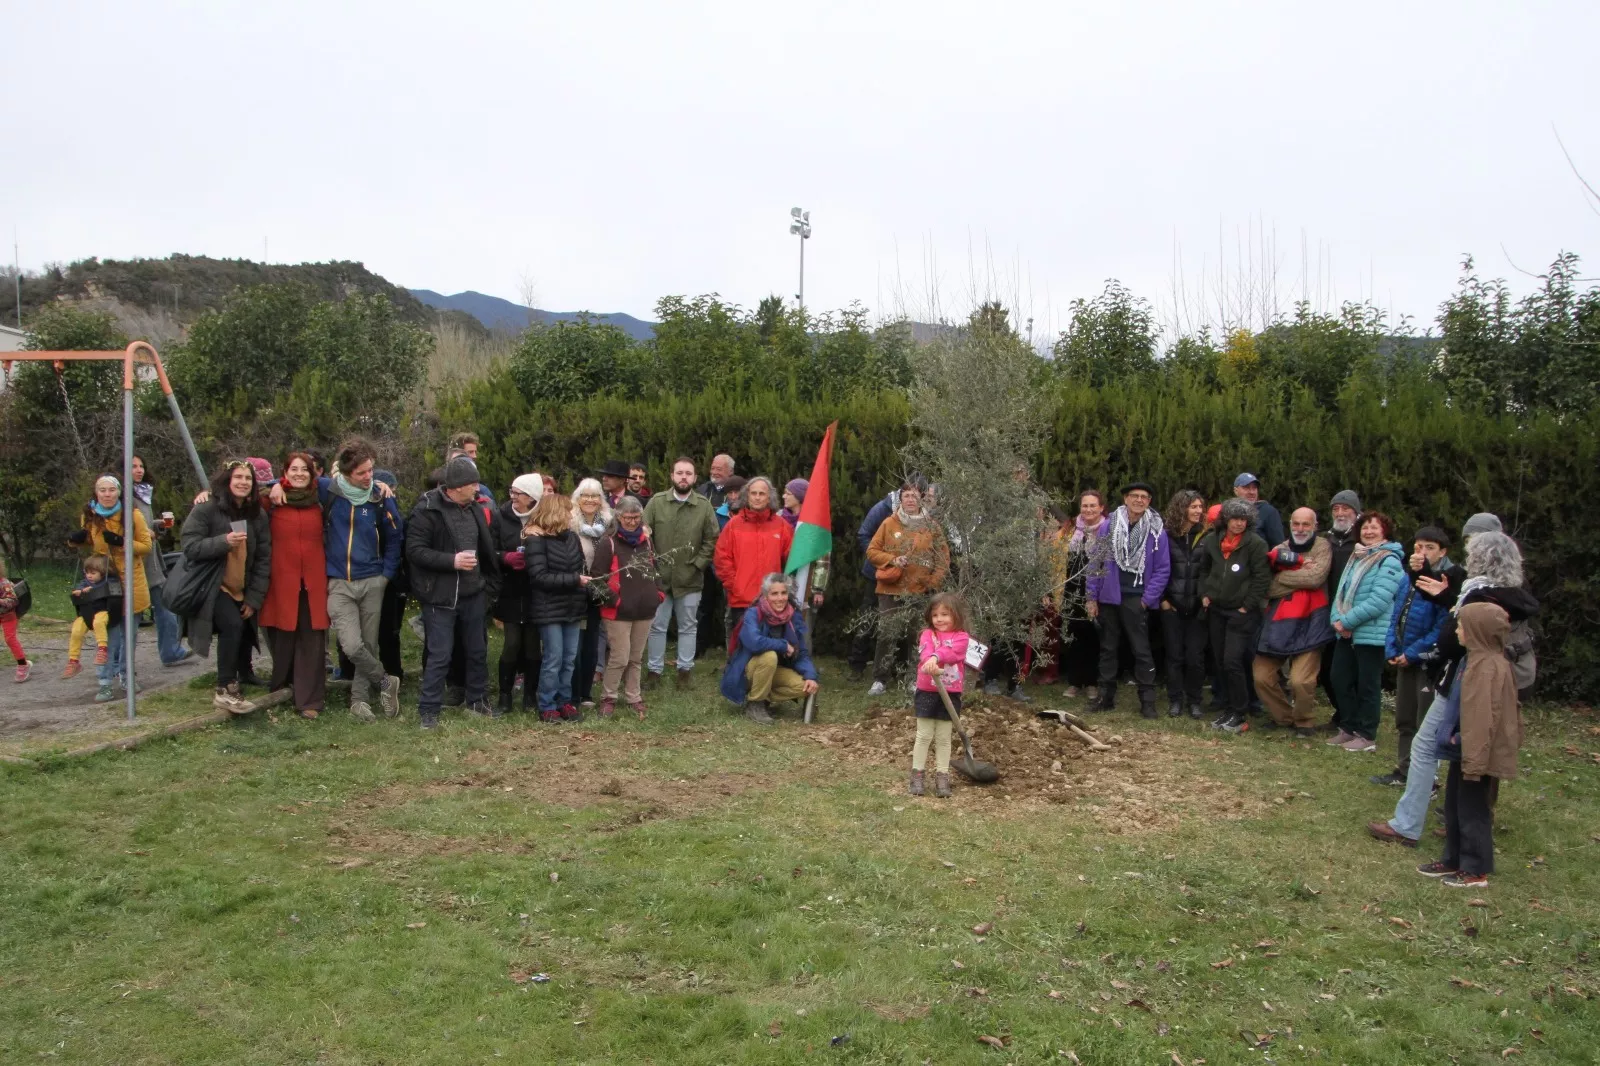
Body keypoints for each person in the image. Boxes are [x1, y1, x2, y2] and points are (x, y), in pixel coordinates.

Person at [1368, 528, 1536, 848]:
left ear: (1480, 559)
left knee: (1437, 750)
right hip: (1489, 682)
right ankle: (1451, 825)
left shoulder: (1479, 593)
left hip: (1467, 681)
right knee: (1465, 754)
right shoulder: (1513, 594)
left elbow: (1451, 642)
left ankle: (1412, 826)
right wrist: (1447, 598)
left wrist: (1451, 609)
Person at [1418, 600, 1522, 889]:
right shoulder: (1470, 659)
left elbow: (1487, 716)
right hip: (1462, 748)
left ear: (1478, 630)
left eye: (1462, 626)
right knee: (1453, 804)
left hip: (1477, 751)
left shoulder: (1489, 667)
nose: (1458, 631)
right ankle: (1453, 858)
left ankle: (1475, 868)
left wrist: (1469, 748)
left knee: (1473, 809)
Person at [306, 438, 403, 722]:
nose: (368, 477)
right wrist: (275, 486)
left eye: (371, 470)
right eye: (362, 473)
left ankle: (359, 702)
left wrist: (386, 574)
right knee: (351, 645)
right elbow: (294, 478)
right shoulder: (329, 490)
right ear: (347, 472)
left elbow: (395, 535)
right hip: (339, 582)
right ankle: (386, 681)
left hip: (373, 580)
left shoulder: (379, 496)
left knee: (369, 644)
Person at [405, 455, 501, 728]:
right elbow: (414, 551)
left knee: (477, 650)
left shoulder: (473, 509)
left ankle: (478, 702)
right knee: (440, 654)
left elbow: (486, 549)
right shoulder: (427, 510)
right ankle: (429, 711)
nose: (478, 489)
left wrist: (489, 586)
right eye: (473, 484)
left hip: (473, 593)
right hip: (440, 594)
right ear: (457, 486)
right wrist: (451, 561)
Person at [180, 460, 272, 714]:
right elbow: (189, 546)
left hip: (241, 585)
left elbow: (264, 558)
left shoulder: (257, 514)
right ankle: (225, 688)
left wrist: (254, 598)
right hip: (212, 584)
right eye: (238, 477)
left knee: (241, 626)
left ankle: (241, 675)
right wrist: (223, 542)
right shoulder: (207, 509)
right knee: (232, 625)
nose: (243, 482)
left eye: (248, 478)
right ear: (227, 481)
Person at [1376, 525, 1465, 786]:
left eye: (1429, 548)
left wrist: (1414, 654)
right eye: (1418, 547)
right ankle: (1405, 771)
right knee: (1405, 718)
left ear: (1443, 551)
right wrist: (1392, 648)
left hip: (1428, 661)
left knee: (1425, 721)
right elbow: (1396, 614)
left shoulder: (1448, 579)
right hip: (1403, 656)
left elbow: (1443, 627)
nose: (1422, 552)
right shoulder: (1408, 576)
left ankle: (1428, 780)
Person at [1087, 482, 1170, 717]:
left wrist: (1147, 599)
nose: (1139, 500)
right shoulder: (1108, 526)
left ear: (1149, 502)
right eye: (1135, 496)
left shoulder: (1156, 531)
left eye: (1145, 497)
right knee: (1108, 648)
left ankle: (1148, 702)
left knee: (1142, 650)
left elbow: (1163, 569)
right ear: (1125, 499)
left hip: (1137, 598)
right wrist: (1091, 596)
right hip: (1110, 597)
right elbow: (1095, 563)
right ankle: (1105, 698)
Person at [69, 475, 154, 703]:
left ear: (119, 492)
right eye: (102, 490)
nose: (107, 494)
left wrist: (121, 542)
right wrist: (75, 540)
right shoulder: (90, 517)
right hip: (105, 585)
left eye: (111, 490)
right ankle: (105, 682)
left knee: (130, 637)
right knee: (107, 638)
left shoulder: (132, 514)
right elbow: (90, 542)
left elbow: (146, 545)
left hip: (131, 581)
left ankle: (127, 676)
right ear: (96, 493)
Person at [259, 452, 330, 719]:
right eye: (294, 470)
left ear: (313, 475)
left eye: (305, 470)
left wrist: (381, 485)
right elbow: (240, 499)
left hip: (314, 581)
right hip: (281, 580)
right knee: (283, 636)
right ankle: (282, 688)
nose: (299, 474)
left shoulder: (321, 500)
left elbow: (349, 482)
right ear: (285, 473)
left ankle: (309, 699)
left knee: (312, 641)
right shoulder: (271, 501)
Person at [1327, 512, 1406, 752]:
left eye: (1375, 528)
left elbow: (1379, 600)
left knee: (1367, 685)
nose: (1369, 532)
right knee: (1339, 679)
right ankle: (1348, 727)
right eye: (1365, 528)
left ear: (1385, 532)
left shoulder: (1389, 560)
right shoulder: (1357, 556)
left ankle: (1366, 733)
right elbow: (1341, 592)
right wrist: (1337, 620)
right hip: (1346, 632)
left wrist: (1348, 621)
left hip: (1370, 634)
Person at [1253, 507, 1334, 737]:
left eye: (1306, 524)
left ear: (1315, 525)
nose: (1300, 529)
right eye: (1296, 523)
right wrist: (1302, 569)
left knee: (1301, 680)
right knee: (1261, 676)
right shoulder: (1279, 549)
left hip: (1313, 619)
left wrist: (1284, 575)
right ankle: (1283, 717)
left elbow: (1316, 578)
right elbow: (1268, 587)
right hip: (1278, 619)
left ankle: (1304, 723)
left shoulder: (1322, 546)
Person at [864, 479, 949, 696]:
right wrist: (892, 560)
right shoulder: (889, 523)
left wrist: (932, 583)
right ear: (900, 499)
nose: (910, 499)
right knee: (887, 634)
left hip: (919, 591)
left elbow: (943, 559)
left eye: (914, 495)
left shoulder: (932, 527)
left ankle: (914, 678)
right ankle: (880, 679)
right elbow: (872, 551)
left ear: (921, 498)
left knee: (918, 636)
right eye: (906, 496)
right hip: (890, 589)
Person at [642, 457, 720, 689]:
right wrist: (652, 565)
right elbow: (644, 535)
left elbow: (712, 538)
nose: (683, 477)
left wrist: (698, 565)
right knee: (657, 626)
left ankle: (685, 671)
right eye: (679, 473)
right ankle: (654, 672)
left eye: (688, 473)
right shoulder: (656, 503)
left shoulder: (703, 506)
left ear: (695, 478)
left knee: (688, 626)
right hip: (659, 579)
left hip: (691, 579)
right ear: (672, 476)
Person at [1198, 498, 1271, 732]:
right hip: (1217, 609)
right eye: (1234, 519)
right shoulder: (1212, 541)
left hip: (1242, 613)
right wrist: (1205, 594)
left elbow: (1262, 578)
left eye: (1243, 519)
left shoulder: (1256, 544)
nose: (1238, 524)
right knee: (1220, 661)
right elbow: (1204, 570)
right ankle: (1229, 709)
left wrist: (1247, 606)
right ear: (1226, 520)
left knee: (1233, 661)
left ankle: (1240, 712)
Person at [523, 492, 592, 723]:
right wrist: (574, 580)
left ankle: (565, 702)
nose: (571, 515)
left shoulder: (571, 537)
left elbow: (581, 567)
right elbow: (539, 577)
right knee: (554, 658)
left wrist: (583, 583)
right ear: (555, 512)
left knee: (569, 657)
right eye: (567, 510)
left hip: (573, 606)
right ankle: (547, 705)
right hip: (549, 608)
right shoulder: (535, 540)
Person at [720, 572, 819, 724]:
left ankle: (764, 696)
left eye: (783, 593)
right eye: (774, 594)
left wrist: (811, 676)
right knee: (769, 656)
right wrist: (783, 645)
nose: (780, 598)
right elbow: (754, 642)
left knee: (804, 687)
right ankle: (755, 703)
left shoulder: (793, 616)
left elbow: (801, 653)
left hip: (772, 671)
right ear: (765, 596)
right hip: (748, 670)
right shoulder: (753, 614)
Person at [593, 496, 660, 718]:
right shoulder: (608, 543)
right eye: (627, 518)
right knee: (620, 657)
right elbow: (597, 579)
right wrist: (616, 600)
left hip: (644, 610)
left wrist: (657, 594)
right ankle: (609, 697)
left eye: (636, 517)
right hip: (618, 612)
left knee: (636, 658)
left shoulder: (647, 540)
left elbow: (654, 567)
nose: (632, 522)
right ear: (618, 517)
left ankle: (634, 696)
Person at [714, 475, 794, 647]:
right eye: (754, 493)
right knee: (742, 648)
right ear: (747, 496)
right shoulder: (733, 525)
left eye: (762, 494)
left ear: (769, 497)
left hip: (772, 600)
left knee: (770, 649)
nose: (757, 497)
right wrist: (735, 585)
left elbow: (791, 561)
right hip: (742, 601)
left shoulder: (781, 526)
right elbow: (722, 558)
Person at [492, 473, 545, 716]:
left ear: (532, 497)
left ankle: (530, 695)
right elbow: (488, 550)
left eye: (519, 493)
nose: (513, 497)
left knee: (533, 646)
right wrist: (505, 557)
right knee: (512, 644)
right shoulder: (500, 517)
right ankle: (504, 696)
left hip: (536, 590)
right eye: (511, 491)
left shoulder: (543, 518)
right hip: (510, 590)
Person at [848, 481, 913, 681]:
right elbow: (864, 535)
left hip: (907, 577)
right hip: (877, 573)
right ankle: (857, 665)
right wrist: (884, 559)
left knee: (903, 623)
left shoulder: (921, 515)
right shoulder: (882, 509)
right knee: (868, 618)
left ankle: (898, 668)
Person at [130, 454, 190, 666]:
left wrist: (159, 525)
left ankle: (171, 652)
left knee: (165, 606)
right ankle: (123, 666)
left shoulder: (142, 493)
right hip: (135, 565)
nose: (139, 470)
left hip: (152, 563)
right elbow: (126, 531)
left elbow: (144, 525)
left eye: (141, 466)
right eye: (133, 466)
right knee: (134, 617)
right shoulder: (123, 497)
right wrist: (147, 534)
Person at [910, 592, 971, 799]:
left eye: (945, 614)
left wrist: (937, 657)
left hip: (950, 693)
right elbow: (925, 652)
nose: (939, 619)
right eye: (935, 615)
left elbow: (953, 652)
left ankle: (942, 776)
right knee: (924, 735)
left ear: (956, 615)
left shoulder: (962, 637)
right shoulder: (928, 634)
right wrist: (930, 659)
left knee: (944, 737)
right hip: (926, 690)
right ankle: (917, 774)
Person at [1159, 490, 1209, 719]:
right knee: (1174, 656)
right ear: (1182, 508)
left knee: (1195, 658)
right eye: (1193, 507)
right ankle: (1175, 700)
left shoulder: (1207, 535)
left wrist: (1206, 597)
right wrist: (1163, 601)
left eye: (1200, 506)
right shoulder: (1165, 536)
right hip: (1173, 607)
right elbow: (1156, 570)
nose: (1198, 511)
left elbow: (1211, 571)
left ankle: (1195, 701)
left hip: (1198, 608)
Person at [1057, 490, 1108, 701]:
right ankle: (1074, 682)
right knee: (1074, 637)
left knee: (1093, 638)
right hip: (1071, 591)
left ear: (1101, 508)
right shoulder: (1070, 532)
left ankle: (1092, 682)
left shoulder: (1107, 530)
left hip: (1096, 592)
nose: (1088, 509)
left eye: (1092, 506)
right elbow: (1058, 562)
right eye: (1085, 505)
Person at [1319, 489, 1362, 724]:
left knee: (1350, 672)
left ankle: (1352, 717)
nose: (1340, 512)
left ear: (1356, 512)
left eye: (1345, 508)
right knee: (1327, 670)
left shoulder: (1362, 542)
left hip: (1352, 615)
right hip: (1326, 612)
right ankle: (1341, 711)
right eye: (1336, 508)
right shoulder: (1326, 540)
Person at [571, 478, 614, 709]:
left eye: (594, 495)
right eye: (585, 495)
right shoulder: (569, 522)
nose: (589, 500)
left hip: (600, 589)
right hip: (576, 588)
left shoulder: (610, 523)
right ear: (577, 498)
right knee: (574, 643)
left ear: (601, 499)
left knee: (592, 641)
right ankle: (573, 692)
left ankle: (586, 692)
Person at [696, 453, 738, 653]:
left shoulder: (738, 493)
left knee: (730, 605)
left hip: (728, 560)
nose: (714, 472)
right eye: (713, 468)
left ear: (730, 471)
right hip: (706, 556)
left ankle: (728, 643)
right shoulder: (703, 489)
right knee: (704, 604)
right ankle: (700, 645)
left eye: (719, 469)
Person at [63, 555, 118, 677]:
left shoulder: (109, 581)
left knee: (98, 622)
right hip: (87, 613)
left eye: (93, 573)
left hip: (103, 611)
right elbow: (79, 589)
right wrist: (78, 592)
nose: (89, 576)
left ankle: (102, 649)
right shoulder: (84, 583)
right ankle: (74, 661)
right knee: (76, 630)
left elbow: (109, 589)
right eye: (87, 573)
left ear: (103, 573)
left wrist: (92, 589)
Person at [1232, 473, 1286, 552]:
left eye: (1254, 488)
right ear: (1236, 491)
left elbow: (1278, 545)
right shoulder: (1229, 511)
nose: (1252, 492)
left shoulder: (1268, 512)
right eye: (1246, 488)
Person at [0, 560, 28, 682]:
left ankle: (23, 664)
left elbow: (13, 601)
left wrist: (1, 601)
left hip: (8, 615)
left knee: (10, 639)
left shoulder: (4, 583)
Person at [448, 431, 495, 502]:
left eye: (475, 452)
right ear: (458, 453)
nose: (475, 456)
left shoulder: (483, 491)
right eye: (470, 452)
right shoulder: (441, 489)